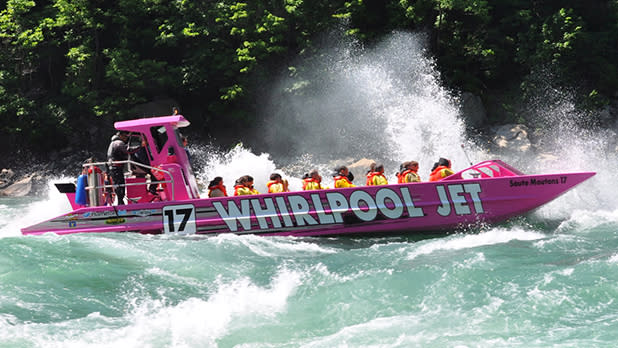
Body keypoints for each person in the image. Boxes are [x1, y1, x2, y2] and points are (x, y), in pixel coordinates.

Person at [107, 130, 142, 205]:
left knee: (119, 185)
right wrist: (140, 146)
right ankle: (120, 203)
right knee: (120, 185)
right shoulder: (118, 143)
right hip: (116, 168)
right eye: (125, 136)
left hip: (114, 168)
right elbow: (128, 150)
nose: (126, 138)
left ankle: (121, 202)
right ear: (121, 136)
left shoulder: (113, 143)